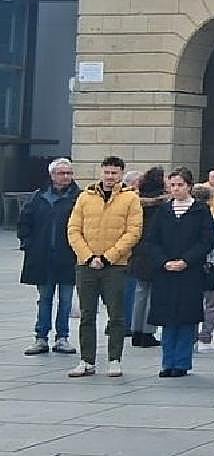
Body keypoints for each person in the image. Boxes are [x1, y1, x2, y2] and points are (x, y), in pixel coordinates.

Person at [65, 155, 143, 378]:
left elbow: (133, 232)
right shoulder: (85, 197)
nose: (110, 177)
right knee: (87, 315)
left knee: (116, 315)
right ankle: (87, 360)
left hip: (115, 266)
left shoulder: (130, 198)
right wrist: (88, 256)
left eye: (114, 173)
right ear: (101, 172)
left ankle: (114, 359)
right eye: (107, 172)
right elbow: (73, 229)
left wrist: (109, 257)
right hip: (86, 265)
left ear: (121, 174)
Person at [142, 166, 214, 377]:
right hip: (165, 272)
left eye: (180, 185)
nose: (176, 189)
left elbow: (206, 241)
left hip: (190, 272)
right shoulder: (164, 210)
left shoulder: (200, 210)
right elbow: (152, 241)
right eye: (172, 185)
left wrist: (186, 260)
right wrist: (164, 262)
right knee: (168, 319)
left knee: (186, 318)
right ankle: (168, 362)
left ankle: (182, 362)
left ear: (189, 186)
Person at [20, 157, 82, 356]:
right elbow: (25, 222)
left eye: (69, 173)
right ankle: (41, 337)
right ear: (52, 175)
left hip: (68, 257)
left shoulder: (79, 198)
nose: (66, 177)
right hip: (43, 256)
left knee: (66, 300)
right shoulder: (38, 197)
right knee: (44, 298)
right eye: (62, 173)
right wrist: (28, 244)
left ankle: (62, 337)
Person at [128, 166, 168, 347]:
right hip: (155, 250)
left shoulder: (136, 200)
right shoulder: (163, 202)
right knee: (153, 293)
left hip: (139, 250)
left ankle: (135, 330)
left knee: (140, 291)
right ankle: (148, 332)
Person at [190, 183, 214, 353]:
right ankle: (205, 337)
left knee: (193, 301)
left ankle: (191, 336)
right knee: (212, 303)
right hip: (212, 264)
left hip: (191, 265)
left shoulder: (187, 217)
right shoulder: (213, 219)